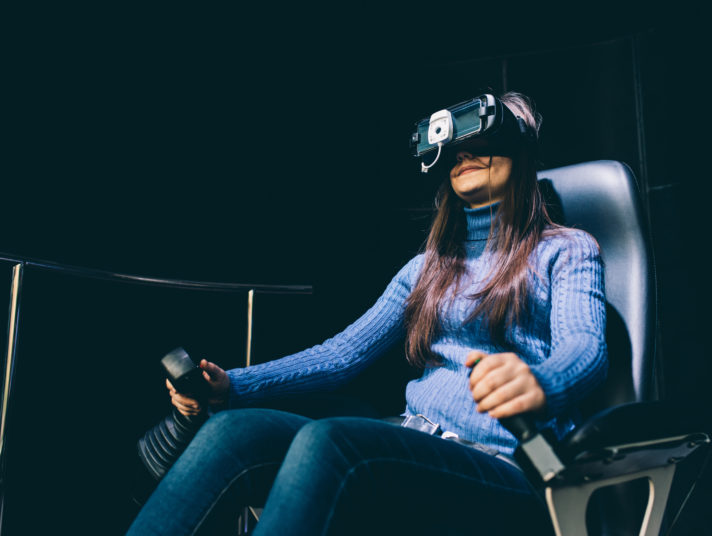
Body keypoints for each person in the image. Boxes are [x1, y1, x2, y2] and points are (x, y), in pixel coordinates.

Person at [126, 91, 607, 535]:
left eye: (483, 141)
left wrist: (543, 383)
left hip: (507, 465)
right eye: (457, 147)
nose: (463, 153)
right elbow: (341, 355)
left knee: (332, 441)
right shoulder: (427, 268)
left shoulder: (565, 251)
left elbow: (585, 346)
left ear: (520, 153)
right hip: (412, 443)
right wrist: (233, 386)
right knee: (235, 432)